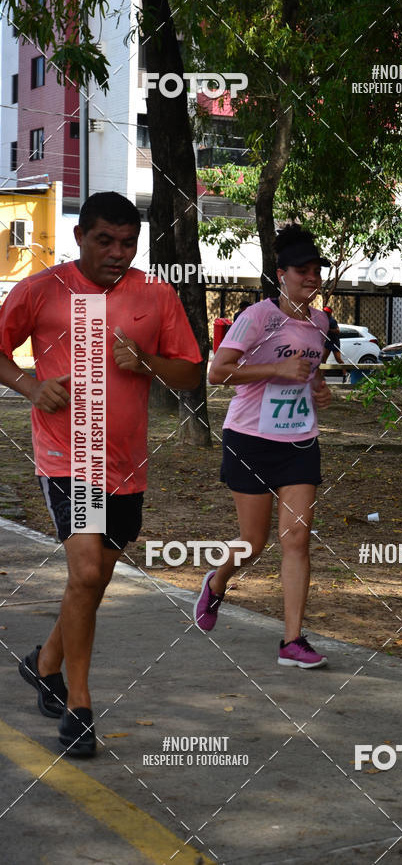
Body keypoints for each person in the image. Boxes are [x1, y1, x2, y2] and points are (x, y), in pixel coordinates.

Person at [0, 192, 202, 756]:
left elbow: (190, 374)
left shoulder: (155, 294)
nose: (118, 252)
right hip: (71, 457)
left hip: (127, 467)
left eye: (128, 242)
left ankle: (44, 663)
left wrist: (147, 361)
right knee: (87, 574)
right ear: (80, 237)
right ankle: (79, 706)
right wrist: (30, 387)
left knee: (93, 582)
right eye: (104, 241)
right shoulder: (42, 290)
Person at [194, 224, 332, 668]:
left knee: (296, 538)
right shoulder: (257, 316)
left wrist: (319, 388)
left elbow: (310, 369)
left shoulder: (322, 320)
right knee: (252, 543)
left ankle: (292, 641)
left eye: (316, 271)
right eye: (302, 271)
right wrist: (274, 368)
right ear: (281, 273)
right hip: (250, 440)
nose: (311, 278)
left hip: (299, 442)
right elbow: (218, 372)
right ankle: (216, 583)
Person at [322, 305, 347, 382]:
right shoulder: (324, 320)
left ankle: (345, 374)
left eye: (325, 312)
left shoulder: (332, 321)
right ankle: (322, 376)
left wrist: (328, 330)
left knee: (338, 359)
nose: (324, 313)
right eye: (324, 311)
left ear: (329, 313)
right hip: (328, 342)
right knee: (323, 359)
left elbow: (338, 331)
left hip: (334, 342)